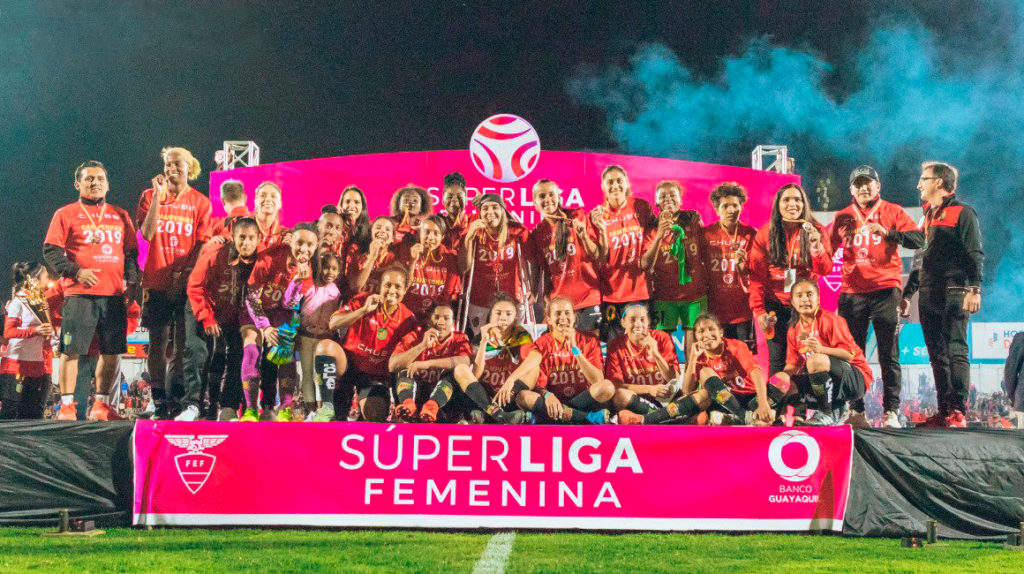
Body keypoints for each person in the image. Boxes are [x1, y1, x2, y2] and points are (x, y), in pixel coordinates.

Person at [43, 160, 140, 421]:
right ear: (78, 184)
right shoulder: (65, 213)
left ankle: (101, 405)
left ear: (108, 185)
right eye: (89, 179)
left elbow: (131, 253)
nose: (95, 182)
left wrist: (132, 282)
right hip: (79, 294)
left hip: (113, 296)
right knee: (71, 351)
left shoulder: (121, 215)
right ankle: (67, 406)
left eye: (100, 179)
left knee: (111, 352)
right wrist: (76, 272)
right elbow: (51, 251)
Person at [830, 166, 924, 429]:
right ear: (851, 189)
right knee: (852, 354)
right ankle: (855, 410)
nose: (863, 188)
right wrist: (815, 247)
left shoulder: (892, 211)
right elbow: (825, 252)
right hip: (852, 292)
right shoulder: (842, 216)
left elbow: (919, 240)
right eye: (858, 184)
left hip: (885, 289)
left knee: (888, 353)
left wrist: (889, 233)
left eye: (868, 183)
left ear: (878, 186)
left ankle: (891, 412)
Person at [903, 162, 984, 428]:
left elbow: (975, 253)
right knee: (937, 355)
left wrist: (974, 288)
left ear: (939, 182)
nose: (918, 184)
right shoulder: (927, 216)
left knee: (955, 350)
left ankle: (958, 410)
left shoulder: (963, 212)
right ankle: (944, 410)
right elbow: (920, 260)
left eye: (923, 179)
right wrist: (908, 294)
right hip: (928, 293)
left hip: (954, 290)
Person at [137, 147, 212, 421]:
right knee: (156, 342)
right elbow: (146, 234)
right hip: (156, 281)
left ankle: (177, 397)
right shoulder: (149, 196)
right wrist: (158, 197)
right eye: (168, 164)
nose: (171, 169)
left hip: (186, 284)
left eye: (178, 164)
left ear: (190, 167)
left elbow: (202, 245)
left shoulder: (201, 202)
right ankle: (158, 400)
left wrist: (183, 277)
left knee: (183, 344)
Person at [748, 183, 832, 376]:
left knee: (806, 359)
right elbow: (756, 277)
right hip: (775, 305)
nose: (792, 204)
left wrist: (816, 248)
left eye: (797, 199)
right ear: (778, 205)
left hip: (804, 306)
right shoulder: (765, 233)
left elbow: (825, 269)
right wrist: (759, 311)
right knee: (777, 361)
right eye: (786, 200)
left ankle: (804, 397)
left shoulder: (816, 230)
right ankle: (777, 396)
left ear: (804, 204)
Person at [316, 265, 419, 422]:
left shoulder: (408, 319)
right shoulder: (364, 300)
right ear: (380, 287)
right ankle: (327, 407)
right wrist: (363, 310)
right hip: (348, 365)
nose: (392, 290)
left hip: (374, 375)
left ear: (405, 290)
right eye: (387, 285)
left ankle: (364, 418)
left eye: (398, 287)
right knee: (325, 347)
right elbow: (333, 323)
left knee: (375, 414)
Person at [240, 223, 319, 422]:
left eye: (310, 245)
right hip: (255, 309)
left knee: (286, 351)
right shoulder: (269, 258)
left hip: (280, 312)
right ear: (291, 240)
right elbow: (252, 297)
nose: (304, 249)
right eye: (299, 242)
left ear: (316, 247)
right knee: (252, 349)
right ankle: (250, 410)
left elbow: (288, 303)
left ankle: (285, 408)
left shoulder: (308, 272)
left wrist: (297, 281)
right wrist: (264, 326)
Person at [187, 217, 261, 420]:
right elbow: (195, 285)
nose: (246, 243)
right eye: (241, 237)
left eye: (251, 238)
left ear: (258, 239)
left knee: (241, 356)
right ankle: (197, 405)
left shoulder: (261, 258)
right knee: (204, 355)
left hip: (240, 318)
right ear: (233, 237)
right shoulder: (216, 252)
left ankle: (234, 407)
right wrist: (207, 317)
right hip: (210, 313)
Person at [496, 297, 613, 424]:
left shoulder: (590, 340)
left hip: (581, 401)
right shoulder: (541, 343)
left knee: (607, 387)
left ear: (574, 317)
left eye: (567, 313)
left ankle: (559, 417)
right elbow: (537, 385)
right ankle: (584, 418)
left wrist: (575, 349)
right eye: (557, 313)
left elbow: (598, 380)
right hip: (552, 402)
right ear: (549, 319)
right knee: (523, 396)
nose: (563, 317)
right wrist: (547, 395)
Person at [774, 279, 871, 426]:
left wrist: (821, 349)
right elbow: (792, 366)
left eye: (809, 294)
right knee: (779, 379)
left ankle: (828, 412)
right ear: (792, 302)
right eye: (799, 295)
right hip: (826, 381)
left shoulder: (831, 320)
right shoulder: (793, 330)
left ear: (818, 299)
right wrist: (777, 385)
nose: (804, 299)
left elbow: (848, 355)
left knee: (815, 361)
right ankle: (779, 417)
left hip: (855, 379)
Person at [526, 179, 602, 333]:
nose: (547, 199)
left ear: (559, 197)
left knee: (590, 346)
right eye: (542, 196)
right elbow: (543, 271)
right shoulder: (537, 233)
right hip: (560, 305)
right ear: (534, 203)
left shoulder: (577, 216)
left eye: (551, 195)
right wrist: (539, 294)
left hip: (588, 299)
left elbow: (597, 254)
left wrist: (584, 236)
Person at [642, 180, 708, 352]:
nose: (668, 199)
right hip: (665, 296)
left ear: (680, 200)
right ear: (656, 202)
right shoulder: (651, 230)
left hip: (694, 295)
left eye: (673, 195)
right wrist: (659, 235)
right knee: (663, 345)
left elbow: (705, 252)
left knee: (694, 343)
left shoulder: (693, 221)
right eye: (663, 196)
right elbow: (645, 265)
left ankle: (691, 370)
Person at [591, 165, 655, 340]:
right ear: (603, 187)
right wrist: (601, 229)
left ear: (626, 183)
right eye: (610, 182)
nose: (615, 186)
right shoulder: (597, 215)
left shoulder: (641, 207)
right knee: (615, 345)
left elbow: (656, 232)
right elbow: (601, 257)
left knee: (640, 343)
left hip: (639, 292)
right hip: (611, 294)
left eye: (619, 181)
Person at [455, 295, 534, 424]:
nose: (503, 318)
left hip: (508, 396)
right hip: (484, 399)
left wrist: (511, 381)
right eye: (498, 313)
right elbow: (474, 376)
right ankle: (499, 415)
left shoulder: (521, 336)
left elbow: (534, 362)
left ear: (515, 319)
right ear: (490, 317)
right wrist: (483, 342)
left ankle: (490, 416)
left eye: (508, 314)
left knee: (534, 366)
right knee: (460, 369)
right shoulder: (480, 339)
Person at [459, 193, 531, 332]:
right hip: (480, 298)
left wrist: (531, 289)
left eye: (494, 207)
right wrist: (468, 238)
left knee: (513, 338)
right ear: (480, 213)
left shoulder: (516, 230)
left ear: (503, 210)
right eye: (485, 208)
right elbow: (464, 267)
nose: (490, 212)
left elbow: (532, 260)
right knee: (482, 337)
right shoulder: (474, 231)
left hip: (512, 296)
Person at [389, 304, 473, 422]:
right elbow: (392, 365)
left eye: (446, 318)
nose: (441, 322)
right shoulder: (414, 336)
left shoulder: (459, 339)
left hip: (443, 404)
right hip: (416, 396)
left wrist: (427, 364)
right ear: (429, 320)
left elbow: (465, 361)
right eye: (436, 317)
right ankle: (407, 406)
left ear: (452, 322)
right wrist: (422, 346)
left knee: (455, 372)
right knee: (404, 370)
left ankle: (432, 406)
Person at [603, 304, 681, 424]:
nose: (638, 324)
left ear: (648, 322)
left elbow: (673, 378)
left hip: (666, 400)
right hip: (638, 402)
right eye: (632, 320)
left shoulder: (662, 338)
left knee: (699, 409)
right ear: (623, 322)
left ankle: (658, 418)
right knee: (620, 396)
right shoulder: (616, 345)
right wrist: (649, 389)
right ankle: (662, 417)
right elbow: (616, 386)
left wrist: (656, 354)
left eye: (642, 320)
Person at [703, 182, 758, 351]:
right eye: (725, 206)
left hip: (743, 310)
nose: (731, 210)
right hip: (715, 310)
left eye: (735, 205)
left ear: (741, 207)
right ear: (717, 209)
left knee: (744, 356)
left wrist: (743, 265)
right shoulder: (706, 234)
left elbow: (757, 274)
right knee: (718, 354)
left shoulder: (751, 234)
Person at [1, 263, 54, 420]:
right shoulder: (18, 302)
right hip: (16, 363)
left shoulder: (41, 302)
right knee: (11, 411)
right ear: (34, 279)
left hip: (36, 364)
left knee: (31, 413)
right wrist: (35, 330)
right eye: (45, 276)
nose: (48, 279)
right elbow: (9, 332)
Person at [297, 250, 342, 418]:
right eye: (326, 267)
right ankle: (310, 410)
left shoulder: (336, 292)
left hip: (325, 340)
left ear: (339, 271)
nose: (330, 272)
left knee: (320, 375)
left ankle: (322, 409)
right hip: (306, 337)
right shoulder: (310, 286)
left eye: (334, 269)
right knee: (307, 373)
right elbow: (297, 309)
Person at [396, 215, 462, 321]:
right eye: (426, 232)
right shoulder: (406, 251)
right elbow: (402, 288)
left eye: (436, 233)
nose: (431, 237)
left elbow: (448, 296)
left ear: (442, 237)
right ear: (419, 234)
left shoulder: (450, 257)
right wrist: (412, 262)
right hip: (407, 315)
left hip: (435, 317)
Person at [346, 216, 399, 295]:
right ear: (371, 233)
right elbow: (355, 287)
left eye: (387, 229)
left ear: (392, 238)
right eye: (378, 228)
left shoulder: (394, 260)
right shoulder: (356, 252)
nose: (382, 231)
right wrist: (372, 257)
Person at [440, 172, 475, 250]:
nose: (454, 200)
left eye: (459, 196)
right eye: (450, 196)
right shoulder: (437, 224)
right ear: (443, 199)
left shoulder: (474, 221)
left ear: (466, 199)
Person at [336, 185, 372, 256]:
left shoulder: (370, 232)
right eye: (347, 201)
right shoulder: (333, 228)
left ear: (362, 207)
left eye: (356, 202)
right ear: (341, 205)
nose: (352, 206)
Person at [253, 181, 286, 251]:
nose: (268, 199)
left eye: (273, 196)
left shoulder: (284, 235)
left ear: (280, 204)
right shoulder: (242, 227)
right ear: (255, 202)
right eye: (262, 195)